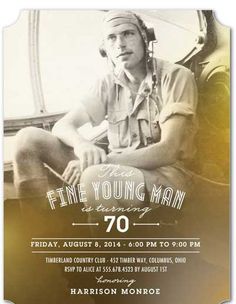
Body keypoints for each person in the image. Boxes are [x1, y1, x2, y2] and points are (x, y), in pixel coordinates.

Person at [13, 10, 198, 212]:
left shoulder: (176, 77)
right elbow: (63, 125)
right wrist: (82, 146)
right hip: (111, 171)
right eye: (111, 38)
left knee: (96, 177)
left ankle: (107, 242)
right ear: (105, 50)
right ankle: (37, 229)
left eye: (128, 34)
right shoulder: (107, 84)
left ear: (145, 38)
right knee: (27, 139)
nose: (120, 43)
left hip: (166, 181)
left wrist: (98, 163)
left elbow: (168, 151)